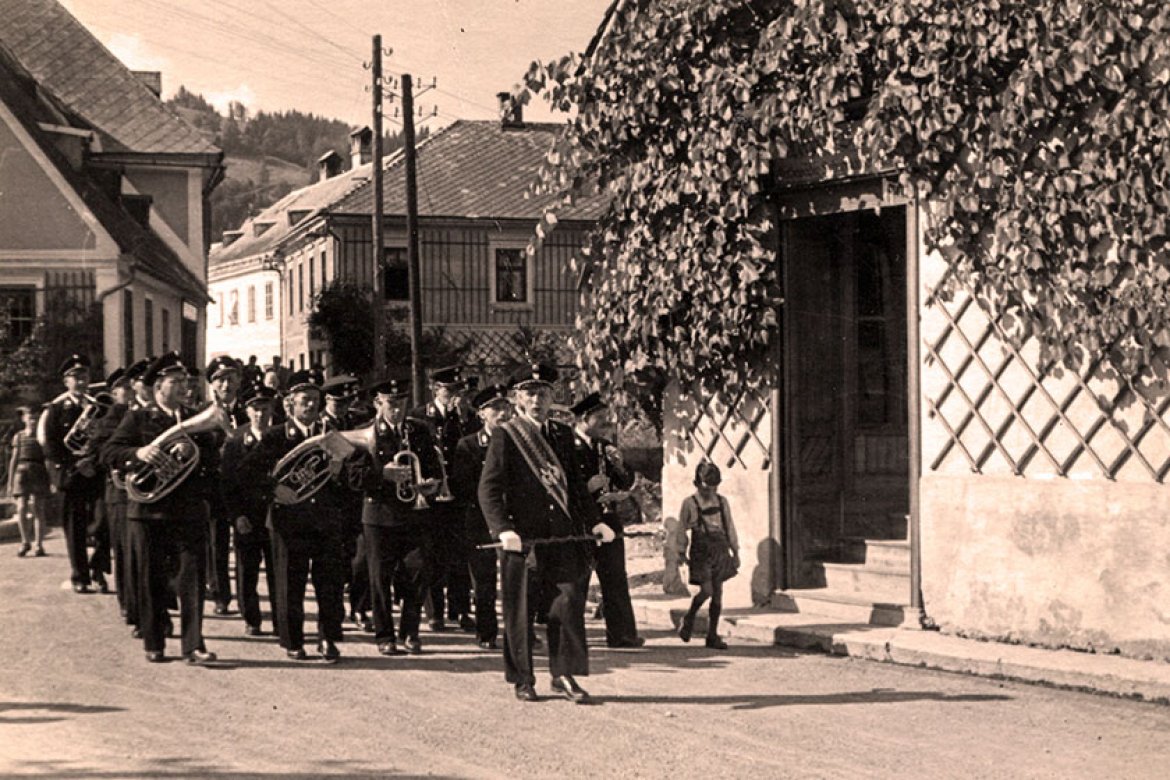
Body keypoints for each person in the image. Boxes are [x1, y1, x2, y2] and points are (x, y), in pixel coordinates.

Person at [478, 362, 610, 704]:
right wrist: (502, 528)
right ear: (518, 399)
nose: (537, 399)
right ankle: (523, 677)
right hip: (524, 539)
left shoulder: (563, 435)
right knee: (520, 611)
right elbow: (489, 490)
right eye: (530, 393)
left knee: (566, 606)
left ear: (553, 396)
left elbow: (577, 487)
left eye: (543, 392)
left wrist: (594, 520)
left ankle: (563, 675)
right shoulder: (506, 435)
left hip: (562, 537)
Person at [102, 352, 222, 664]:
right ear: (159, 387)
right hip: (148, 513)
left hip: (189, 512)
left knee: (192, 580)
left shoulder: (196, 417)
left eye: (186, 382)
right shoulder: (139, 418)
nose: (185, 387)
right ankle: (154, 643)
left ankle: (193, 644)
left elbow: (213, 462)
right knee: (151, 579)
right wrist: (139, 452)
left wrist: (193, 450)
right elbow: (110, 452)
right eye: (176, 382)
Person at [237, 370, 348, 663]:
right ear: (291, 405)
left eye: (314, 401)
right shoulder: (276, 436)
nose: (310, 406)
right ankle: (293, 641)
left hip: (325, 521)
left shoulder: (330, 436)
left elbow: (350, 476)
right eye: (303, 401)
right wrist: (275, 489)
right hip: (289, 522)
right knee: (291, 584)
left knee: (329, 585)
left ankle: (328, 639)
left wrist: (340, 471)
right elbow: (247, 472)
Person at [356, 377, 444, 656]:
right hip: (379, 516)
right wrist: (383, 474)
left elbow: (433, 467)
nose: (397, 409)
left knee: (417, 571)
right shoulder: (364, 433)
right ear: (378, 403)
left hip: (414, 515)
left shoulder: (418, 431)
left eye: (401, 403)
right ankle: (385, 636)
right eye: (391, 403)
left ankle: (410, 631)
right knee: (379, 578)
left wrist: (430, 484)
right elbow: (353, 477)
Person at [570, 392, 644, 648]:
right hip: (581, 522)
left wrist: (621, 467)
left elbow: (623, 481)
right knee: (578, 580)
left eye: (605, 417)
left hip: (608, 520)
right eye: (599, 418)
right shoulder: (567, 446)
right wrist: (588, 488)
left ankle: (622, 635)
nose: (605, 422)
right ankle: (574, 637)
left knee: (615, 576)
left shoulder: (603, 446)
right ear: (582, 419)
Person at [412, 365, 477, 632]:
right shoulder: (419, 417)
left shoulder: (468, 417)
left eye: (457, 390)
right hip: (432, 495)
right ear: (434, 389)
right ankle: (435, 611)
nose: (453, 396)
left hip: (459, 494)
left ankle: (461, 609)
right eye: (448, 390)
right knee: (432, 554)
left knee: (460, 555)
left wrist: (462, 419)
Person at [450, 382, 512, 650]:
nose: (502, 414)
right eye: (495, 409)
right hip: (481, 522)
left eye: (506, 407)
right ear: (481, 414)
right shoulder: (468, 445)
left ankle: (520, 632)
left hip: (514, 520)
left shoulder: (519, 440)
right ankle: (486, 632)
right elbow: (463, 487)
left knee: (517, 580)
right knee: (485, 582)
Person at [40, 353, 105, 593]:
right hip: (71, 475)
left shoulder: (97, 407)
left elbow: (106, 440)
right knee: (75, 528)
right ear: (66, 381)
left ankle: (98, 565)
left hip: (96, 473)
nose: (81, 381)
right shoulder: (56, 409)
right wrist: (76, 465)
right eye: (75, 377)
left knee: (103, 523)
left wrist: (94, 462)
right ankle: (81, 576)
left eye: (84, 376)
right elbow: (51, 446)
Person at [220, 385, 279, 636]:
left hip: (277, 514)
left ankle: (281, 619)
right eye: (255, 409)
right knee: (247, 570)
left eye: (264, 409)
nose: (260, 414)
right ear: (247, 411)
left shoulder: (281, 436)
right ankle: (252, 618)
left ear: (272, 410)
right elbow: (227, 484)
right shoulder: (235, 442)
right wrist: (237, 515)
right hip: (249, 514)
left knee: (279, 570)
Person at [674, 462, 740, 650]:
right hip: (701, 551)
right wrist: (680, 551)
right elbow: (681, 528)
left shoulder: (722, 501)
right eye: (707, 485)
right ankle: (689, 618)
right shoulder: (689, 503)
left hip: (720, 549)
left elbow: (730, 527)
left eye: (714, 486)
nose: (711, 489)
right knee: (707, 590)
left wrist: (735, 552)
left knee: (718, 594)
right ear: (698, 482)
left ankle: (712, 635)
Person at [205, 356, 244, 616]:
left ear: (239, 380)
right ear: (212, 385)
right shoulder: (203, 413)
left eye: (231, 377)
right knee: (217, 542)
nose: (226, 384)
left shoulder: (250, 410)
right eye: (220, 379)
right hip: (216, 486)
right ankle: (221, 594)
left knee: (246, 544)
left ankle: (246, 599)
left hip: (244, 486)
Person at [8, 405, 49, 557]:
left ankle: (39, 544)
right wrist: (11, 482)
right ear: (24, 419)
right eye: (30, 417)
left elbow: (47, 458)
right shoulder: (19, 436)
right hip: (21, 470)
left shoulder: (41, 436)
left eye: (36, 418)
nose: (33, 421)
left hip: (38, 469)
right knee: (21, 507)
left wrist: (50, 479)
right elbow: (14, 458)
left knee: (38, 508)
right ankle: (25, 541)